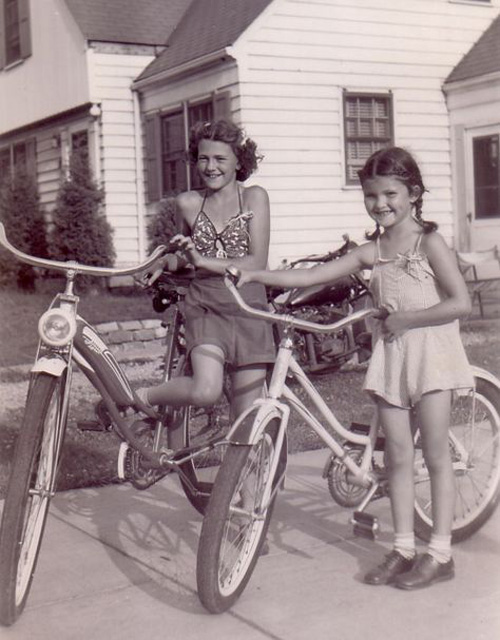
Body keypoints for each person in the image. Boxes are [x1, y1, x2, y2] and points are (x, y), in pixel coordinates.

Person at [234, 146, 474, 590]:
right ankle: (403, 547)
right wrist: (256, 276)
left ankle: (440, 553)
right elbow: (312, 277)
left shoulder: (430, 243)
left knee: (436, 455)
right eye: (371, 196)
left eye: (390, 194)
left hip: (432, 355)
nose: (380, 204)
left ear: (414, 193)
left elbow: (461, 303)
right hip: (393, 356)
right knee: (397, 456)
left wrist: (408, 319)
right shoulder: (373, 250)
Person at [138, 119, 275, 423]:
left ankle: (244, 472)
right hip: (206, 307)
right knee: (205, 390)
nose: (211, 167)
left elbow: (256, 262)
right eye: (203, 158)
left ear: (239, 161)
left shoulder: (254, 197)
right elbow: (186, 258)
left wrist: (201, 260)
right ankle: (142, 397)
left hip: (249, 308)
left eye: (220, 159)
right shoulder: (188, 202)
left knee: (245, 422)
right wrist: (165, 262)